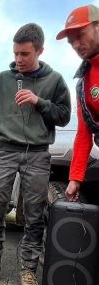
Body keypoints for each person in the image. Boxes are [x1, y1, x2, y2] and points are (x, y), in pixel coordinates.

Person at [0, 23, 71, 285]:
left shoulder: (55, 81)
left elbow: (64, 115)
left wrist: (39, 101)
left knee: (34, 214)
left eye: (25, 54)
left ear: (40, 50)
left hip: (38, 152)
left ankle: (28, 267)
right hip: (5, 150)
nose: (19, 59)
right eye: (16, 53)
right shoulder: (4, 78)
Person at [56, 4, 99, 202]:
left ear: (97, 26)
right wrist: (74, 177)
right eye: (71, 42)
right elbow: (83, 135)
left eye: (80, 36)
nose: (75, 45)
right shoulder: (84, 81)